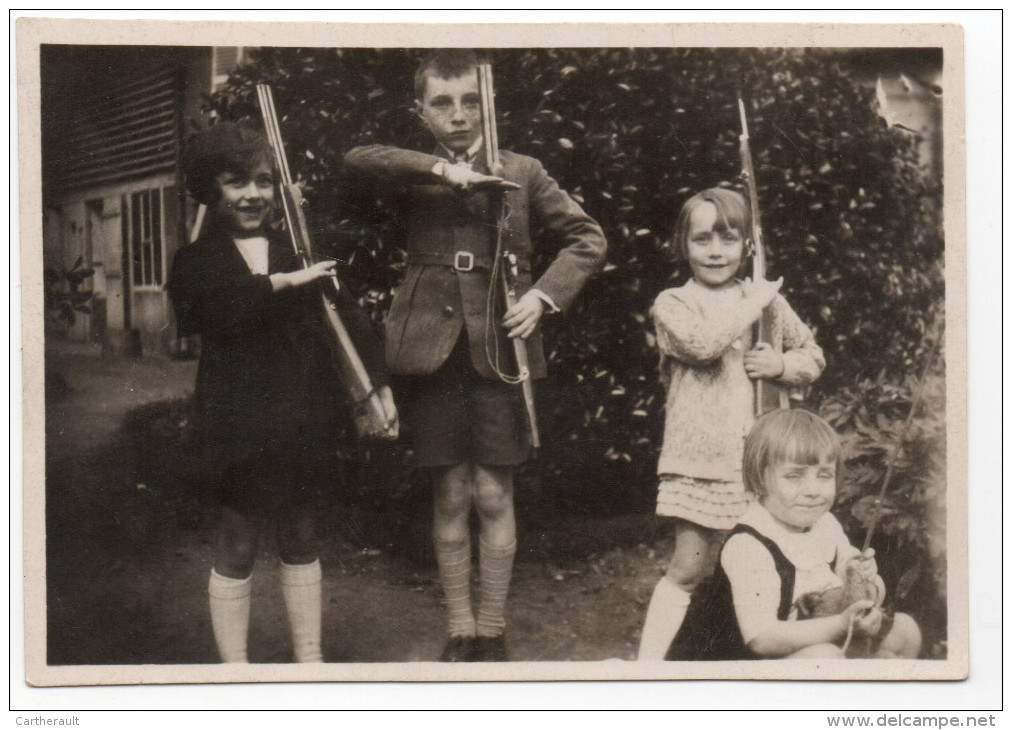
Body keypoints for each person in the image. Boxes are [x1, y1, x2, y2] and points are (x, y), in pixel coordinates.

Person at [343, 49, 607, 662]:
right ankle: (459, 628)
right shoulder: (414, 172)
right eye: (442, 103)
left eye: (468, 101)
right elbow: (357, 160)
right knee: (450, 495)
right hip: (432, 355)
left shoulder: (523, 170)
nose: (458, 115)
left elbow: (587, 238)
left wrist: (543, 297)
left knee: (494, 493)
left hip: (498, 350)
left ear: (487, 103)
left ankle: (491, 630)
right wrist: (443, 173)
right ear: (422, 111)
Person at [168, 122, 397, 663]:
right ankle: (235, 669)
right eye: (235, 183)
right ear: (209, 190)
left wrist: (378, 383)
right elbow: (214, 311)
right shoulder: (196, 260)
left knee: (301, 534)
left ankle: (309, 659)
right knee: (238, 540)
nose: (253, 194)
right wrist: (290, 282)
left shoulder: (296, 248)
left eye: (264, 181)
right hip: (237, 424)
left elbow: (348, 319)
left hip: (302, 416)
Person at [637, 187, 825, 660]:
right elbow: (703, 344)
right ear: (684, 246)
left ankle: (769, 653)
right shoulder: (673, 303)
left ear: (748, 245)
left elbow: (812, 354)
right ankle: (647, 669)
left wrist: (781, 365)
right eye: (702, 240)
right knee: (689, 567)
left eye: (728, 239)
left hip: (762, 459)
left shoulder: (764, 300)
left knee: (770, 559)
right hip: (701, 460)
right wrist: (755, 303)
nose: (716, 251)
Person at [668, 409, 922, 660]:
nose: (812, 490)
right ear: (759, 479)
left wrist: (867, 582)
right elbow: (761, 639)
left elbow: (856, 586)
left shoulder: (826, 524)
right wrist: (842, 625)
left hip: (818, 636)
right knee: (824, 659)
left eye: (824, 476)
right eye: (794, 476)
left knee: (905, 631)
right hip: (741, 662)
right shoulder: (749, 544)